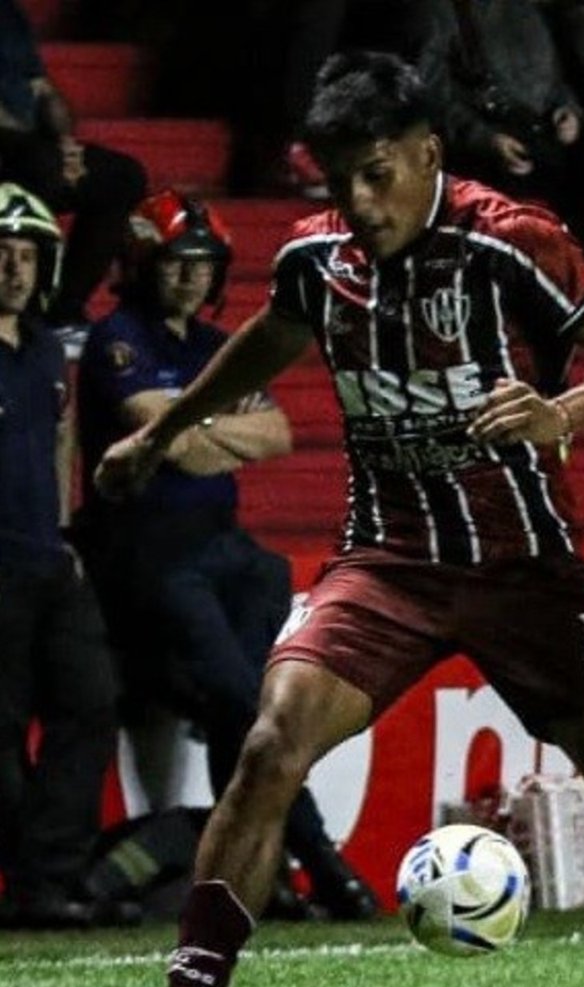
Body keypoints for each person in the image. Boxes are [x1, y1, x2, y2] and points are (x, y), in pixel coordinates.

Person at [68, 51, 584, 987]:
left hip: (527, 570)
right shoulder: (317, 258)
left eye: (378, 173)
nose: (357, 200)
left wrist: (561, 414)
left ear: (429, 155)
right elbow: (273, 335)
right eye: (338, 177)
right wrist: (172, 430)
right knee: (268, 743)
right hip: (388, 561)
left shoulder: (508, 240)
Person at [74, 188, 377, 922]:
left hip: (229, 553)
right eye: (177, 263)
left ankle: (257, 874)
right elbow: (158, 433)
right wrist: (194, 433)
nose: (191, 278)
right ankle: (320, 864)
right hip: (152, 554)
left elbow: (273, 435)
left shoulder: (214, 349)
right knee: (245, 707)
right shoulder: (117, 337)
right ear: (143, 264)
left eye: (204, 266)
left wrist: (189, 437)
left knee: (242, 708)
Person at [0, 183, 119, 928]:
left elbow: (62, 441)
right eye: (1, 255)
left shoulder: (46, 348)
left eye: (24, 256)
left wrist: (67, 533)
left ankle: (53, 874)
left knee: (92, 704)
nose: (13, 269)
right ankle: (31, 885)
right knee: (1, 731)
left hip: (49, 558)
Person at [0, 0, 148, 351]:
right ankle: (20, 310)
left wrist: (68, 147)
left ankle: (62, 312)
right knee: (40, 167)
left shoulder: (8, 15)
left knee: (123, 176)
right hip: (17, 149)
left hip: (33, 150)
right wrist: (42, 149)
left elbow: (43, 90)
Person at [411, 0, 584, 228]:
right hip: (487, 168)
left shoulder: (527, 8)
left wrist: (568, 109)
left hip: (548, 152)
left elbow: (553, 73)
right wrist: (485, 139)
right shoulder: (441, 11)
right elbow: (431, 93)